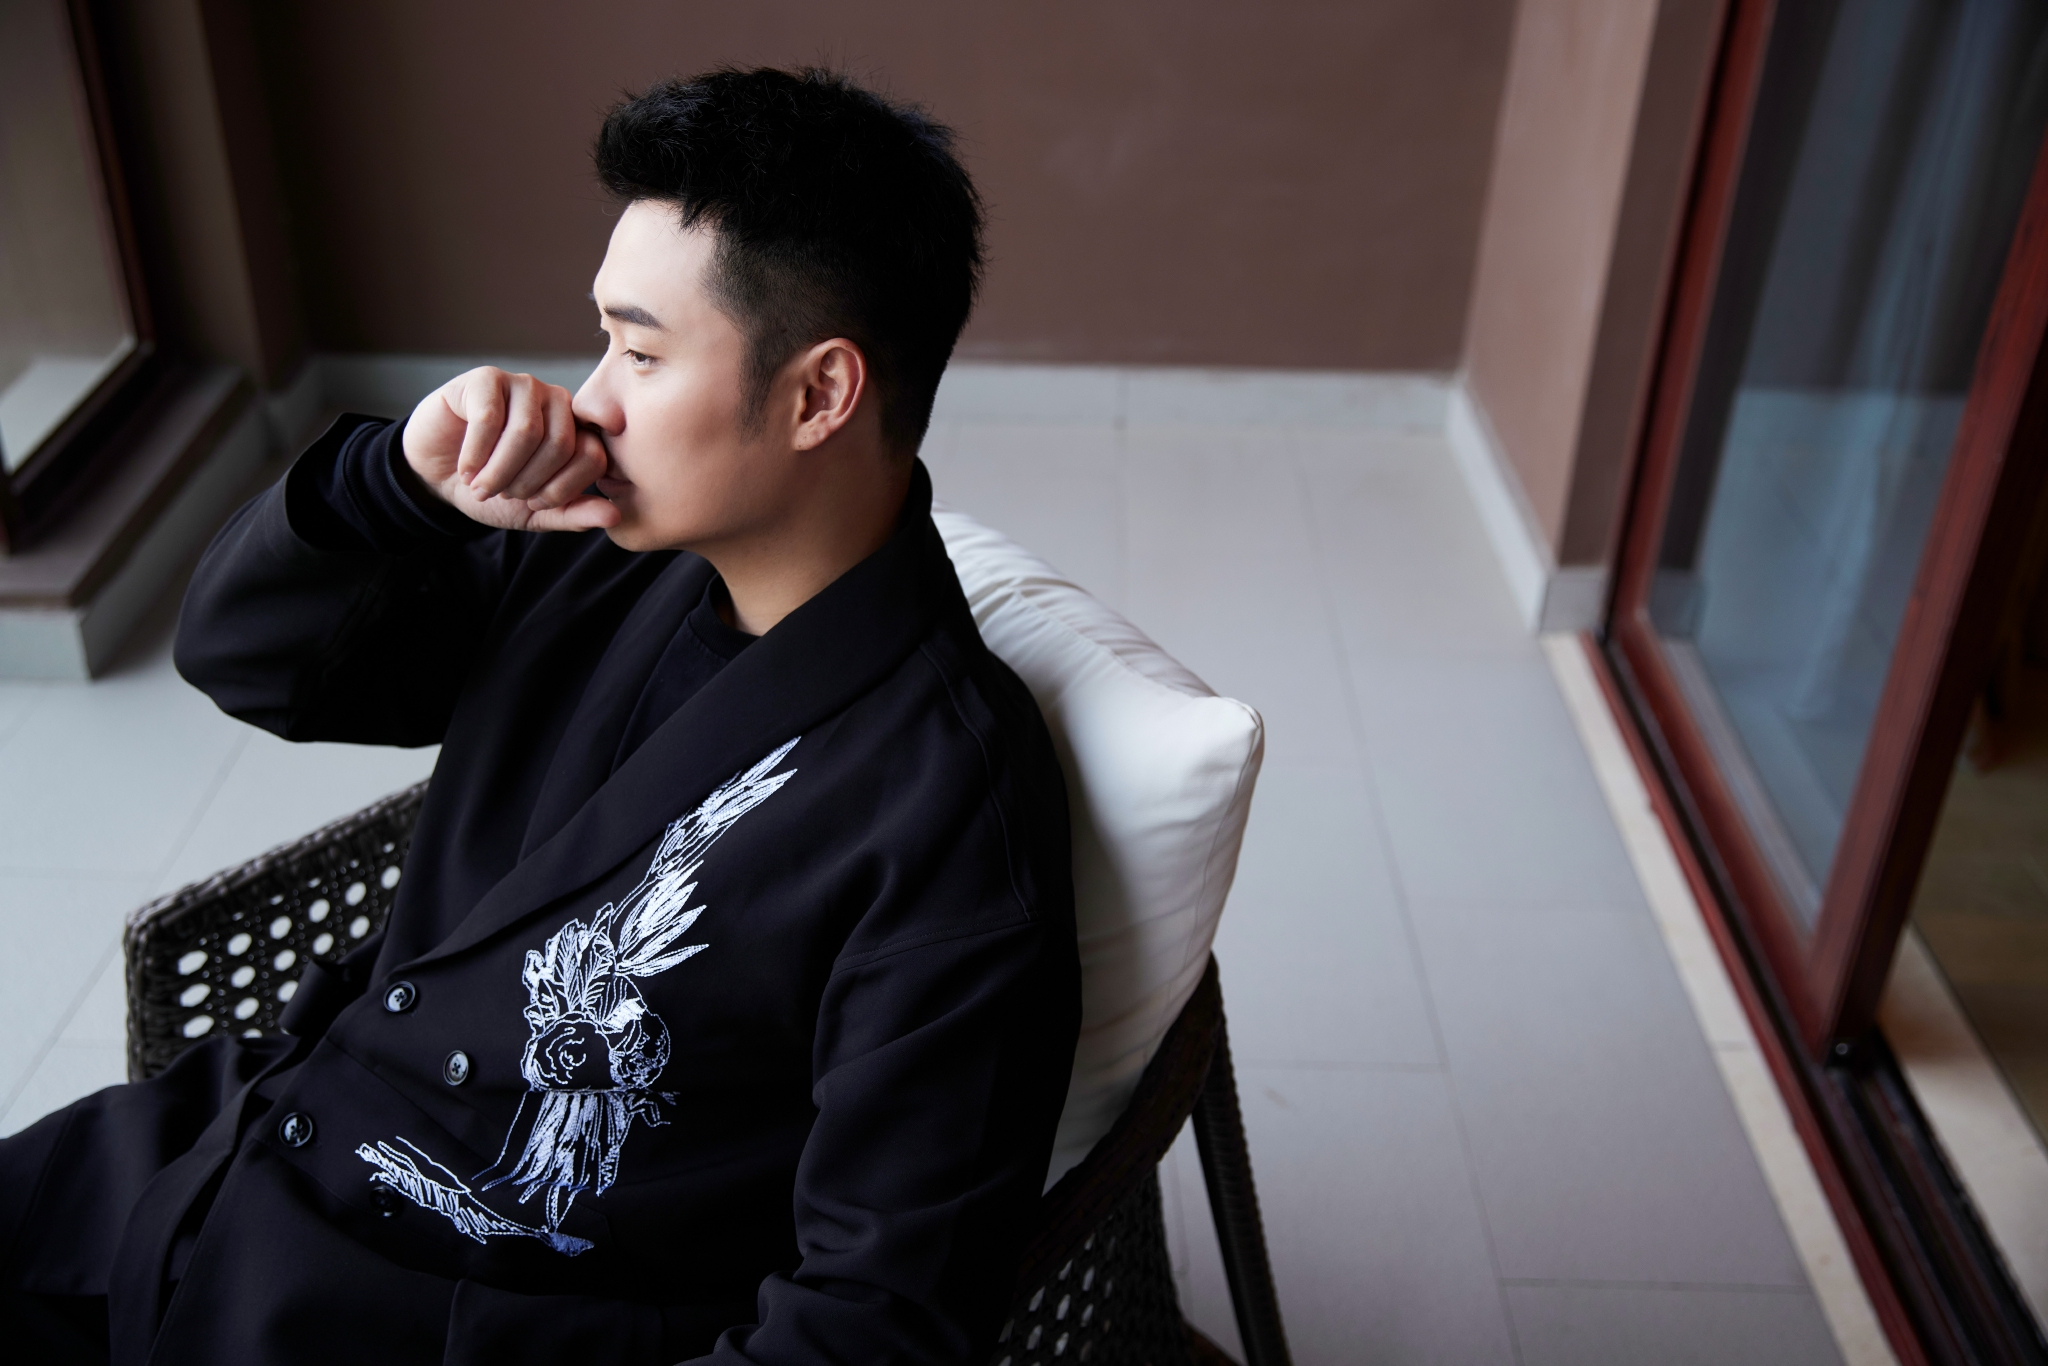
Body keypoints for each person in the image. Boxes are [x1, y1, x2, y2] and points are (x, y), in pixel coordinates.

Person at [0, 67, 1080, 1366]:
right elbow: (245, 660)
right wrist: (397, 481)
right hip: (214, 1161)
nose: (592, 399)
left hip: (432, 1310)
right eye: (602, 341)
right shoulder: (592, 549)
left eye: (642, 351)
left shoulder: (947, 806)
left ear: (818, 395)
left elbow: (876, 1321)